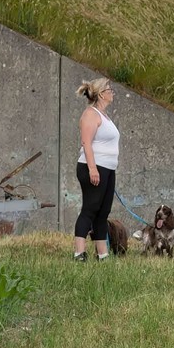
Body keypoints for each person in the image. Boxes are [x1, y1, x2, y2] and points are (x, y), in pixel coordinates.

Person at [73, 77, 121, 261]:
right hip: (93, 167)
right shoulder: (91, 114)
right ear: (101, 94)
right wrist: (93, 169)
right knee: (90, 208)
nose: (112, 92)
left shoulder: (105, 116)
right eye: (109, 89)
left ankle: (102, 254)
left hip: (108, 168)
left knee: (103, 212)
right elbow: (86, 143)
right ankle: (79, 252)